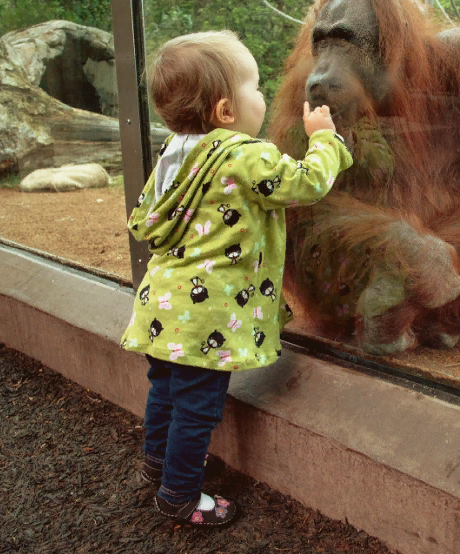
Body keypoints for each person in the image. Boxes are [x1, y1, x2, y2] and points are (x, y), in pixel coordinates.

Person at [120, 30, 353, 527]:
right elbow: (306, 183)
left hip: (163, 308)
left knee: (164, 389)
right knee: (198, 407)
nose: (263, 96)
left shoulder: (174, 153)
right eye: (255, 86)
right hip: (206, 317)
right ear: (226, 110)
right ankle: (179, 495)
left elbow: (146, 218)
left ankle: (157, 464)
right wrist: (324, 140)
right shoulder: (242, 154)